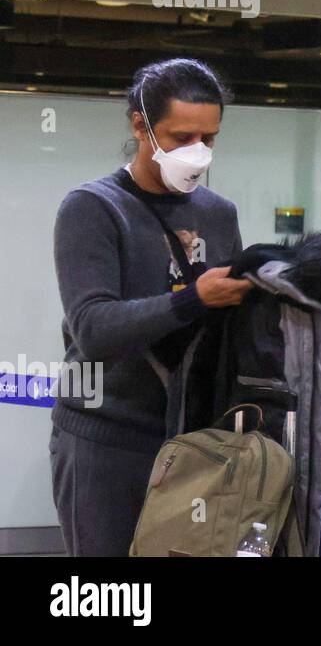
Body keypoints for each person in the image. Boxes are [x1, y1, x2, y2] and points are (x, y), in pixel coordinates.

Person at [50, 58, 250, 556]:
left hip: (194, 438)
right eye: (182, 137)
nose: (198, 153)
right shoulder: (93, 208)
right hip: (106, 438)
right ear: (141, 126)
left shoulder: (219, 213)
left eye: (210, 139)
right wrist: (193, 299)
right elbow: (94, 328)